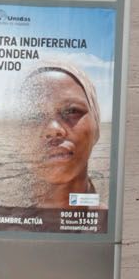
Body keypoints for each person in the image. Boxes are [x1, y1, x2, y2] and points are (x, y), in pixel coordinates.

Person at [19, 62, 102, 213]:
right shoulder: (0, 225)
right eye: (34, 116)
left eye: (71, 111)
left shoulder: (111, 225)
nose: (53, 129)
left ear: (96, 127)